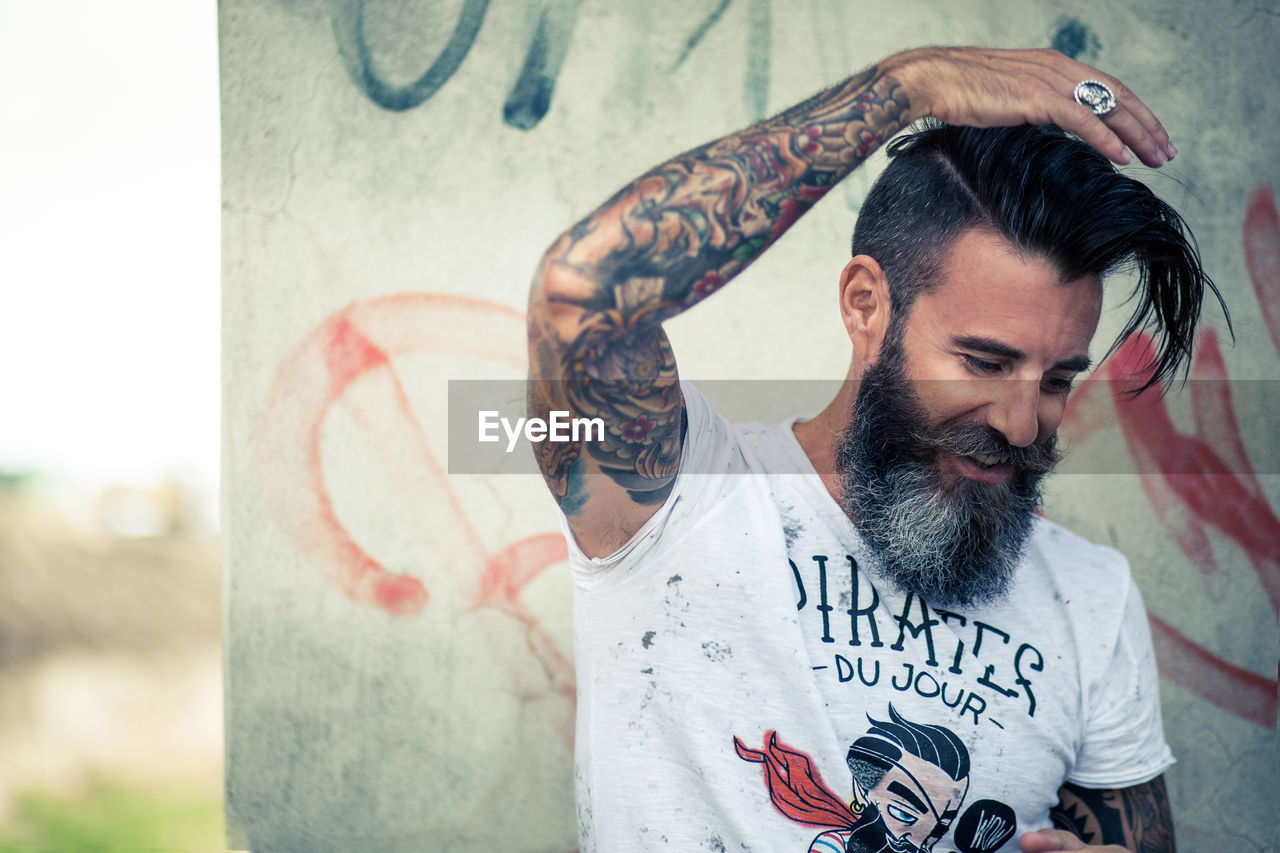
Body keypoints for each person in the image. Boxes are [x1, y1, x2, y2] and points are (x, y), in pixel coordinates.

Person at [526, 46, 1222, 852]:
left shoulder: (1090, 597)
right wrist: (905, 89)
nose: (1024, 423)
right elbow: (583, 289)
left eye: (1058, 377)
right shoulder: (679, 497)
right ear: (866, 307)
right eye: (985, 362)